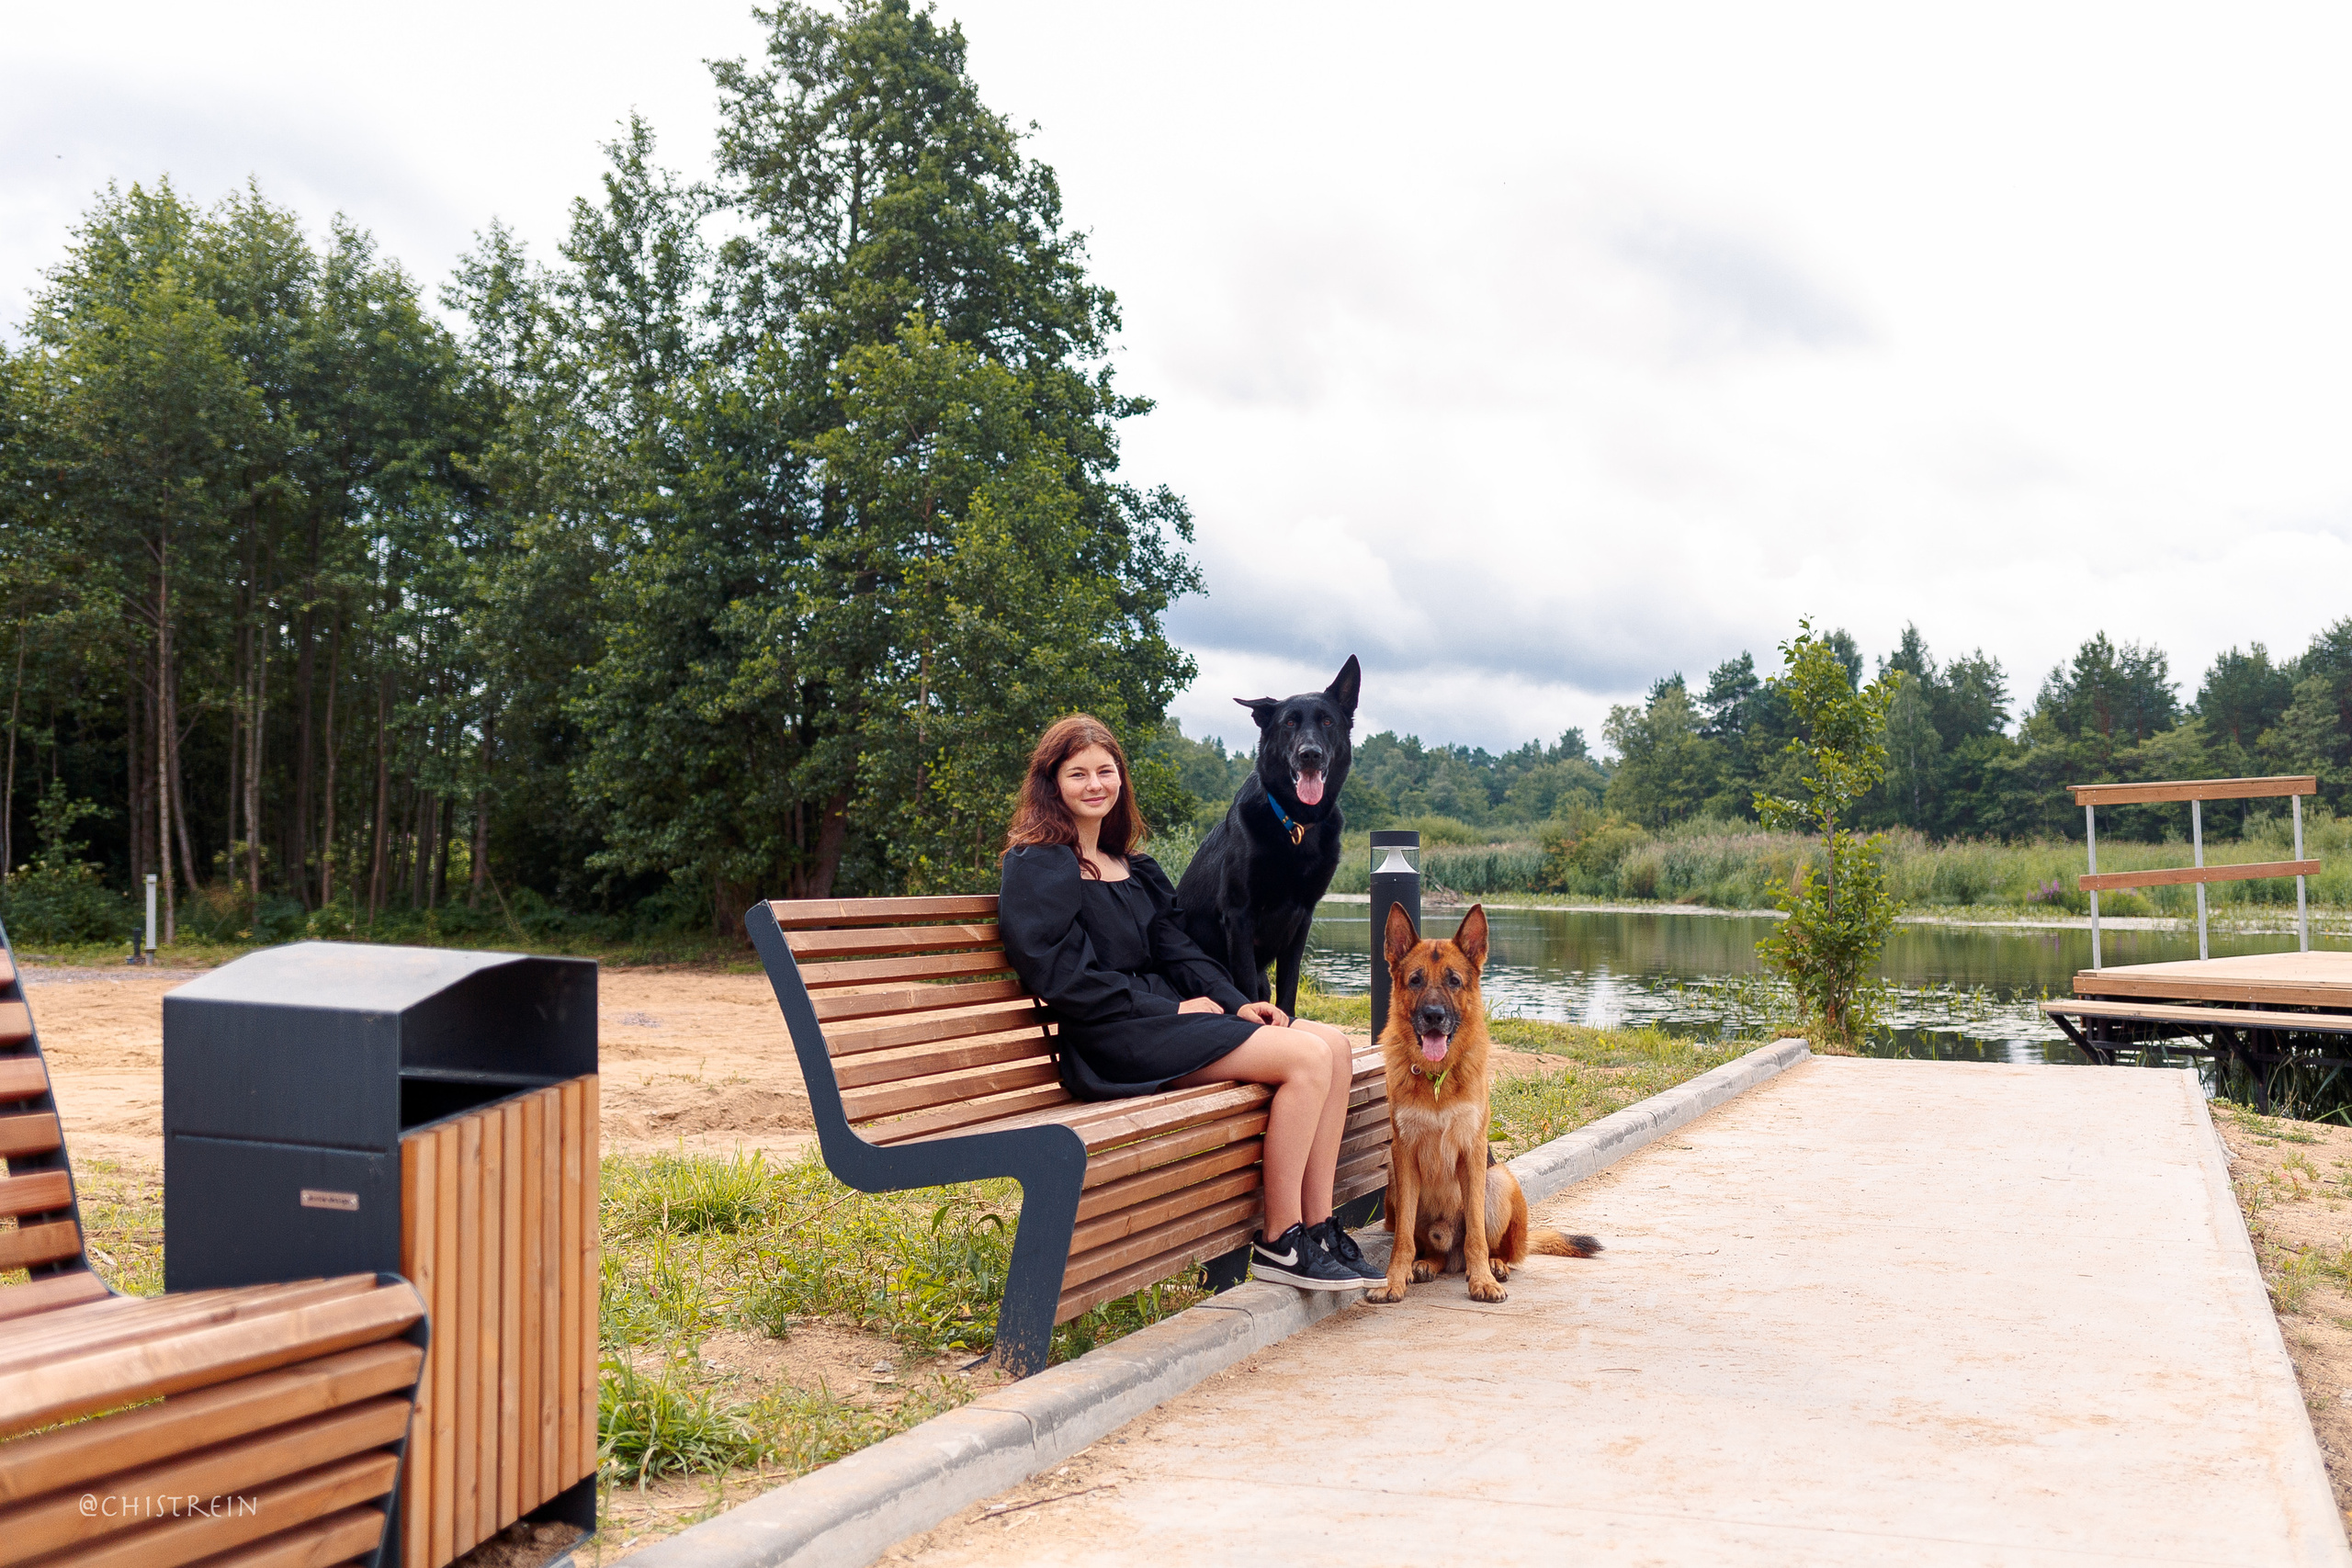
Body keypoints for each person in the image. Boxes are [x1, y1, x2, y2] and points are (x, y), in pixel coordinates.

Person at [998, 714, 1378, 1292]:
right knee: (1306, 1059)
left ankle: (1319, 1226)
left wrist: (1236, 1002)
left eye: (1106, 771)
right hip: (1112, 1038)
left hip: (1159, 1024)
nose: (1095, 784)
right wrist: (1171, 1011)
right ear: (1052, 784)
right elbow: (1062, 977)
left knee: (1333, 1044)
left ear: (1120, 780)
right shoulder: (1039, 863)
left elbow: (1180, 952)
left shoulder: (1134, 867)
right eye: (1078, 774)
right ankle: (1280, 1239)